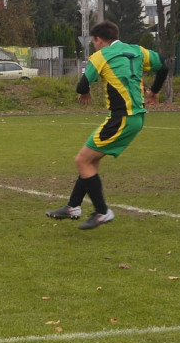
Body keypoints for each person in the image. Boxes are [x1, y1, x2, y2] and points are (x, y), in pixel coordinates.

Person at [45, 20, 168, 230]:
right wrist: (154, 91)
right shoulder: (137, 50)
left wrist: (85, 92)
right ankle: (73, 206)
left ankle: (102, 212)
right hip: (134, 117)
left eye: (94, 42)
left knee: (82, 160)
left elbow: (81, 85)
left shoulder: (101, 56)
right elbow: (164, 65)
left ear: (99, 39)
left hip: (122, 118)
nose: (94, 46)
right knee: (91, 161)